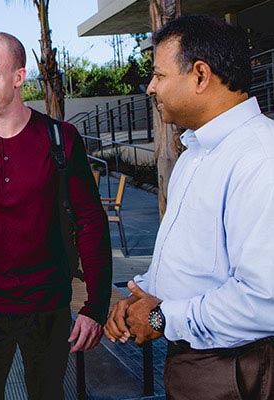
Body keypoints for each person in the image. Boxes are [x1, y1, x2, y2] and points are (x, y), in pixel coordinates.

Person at [0, 32, 112, 400]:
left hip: (49, 308)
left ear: (18, 77)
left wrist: (96, 305)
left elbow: (91, 222)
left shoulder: (61, 139)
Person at [104, 15, 274, 398]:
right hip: (194, 359)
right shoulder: (195, 154)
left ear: (200, 75)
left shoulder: (260, 159)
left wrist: (162, 317)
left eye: (160, 76)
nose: (150, 87)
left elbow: (265, 301)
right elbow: (197, 264)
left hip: (236, 368)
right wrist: (139, 299)